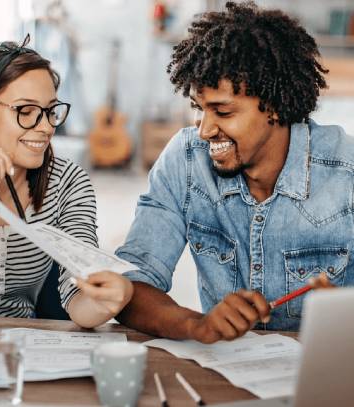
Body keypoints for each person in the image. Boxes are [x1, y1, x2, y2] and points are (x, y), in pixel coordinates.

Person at [115, 1, 349, 343]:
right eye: (198, 108)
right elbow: (131, 284)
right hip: (225, 371)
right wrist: (198, 325)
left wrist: (345, 313)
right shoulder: (185, 160)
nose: (204, 130)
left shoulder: (347, 172)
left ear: (274, 106)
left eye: (222, 112)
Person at [0, 36, 133, 328]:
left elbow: (79, 300)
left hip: (22, 342)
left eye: (51, 111)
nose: (47, 126)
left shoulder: (68, 183)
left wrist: (109, 299)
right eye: (26, 111)